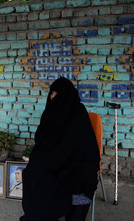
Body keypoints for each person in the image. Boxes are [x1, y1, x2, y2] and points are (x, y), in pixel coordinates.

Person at [21, 77, 100, 221]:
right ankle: (39, 216)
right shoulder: (50, 112)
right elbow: (42, 141)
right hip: (53, 159)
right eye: (51, 93)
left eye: (56, 94)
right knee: (32, 174)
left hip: (77, 161)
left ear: (66, 95)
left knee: (82, 184)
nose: (52, 97)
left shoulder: (78, 114)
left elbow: (84, 148)